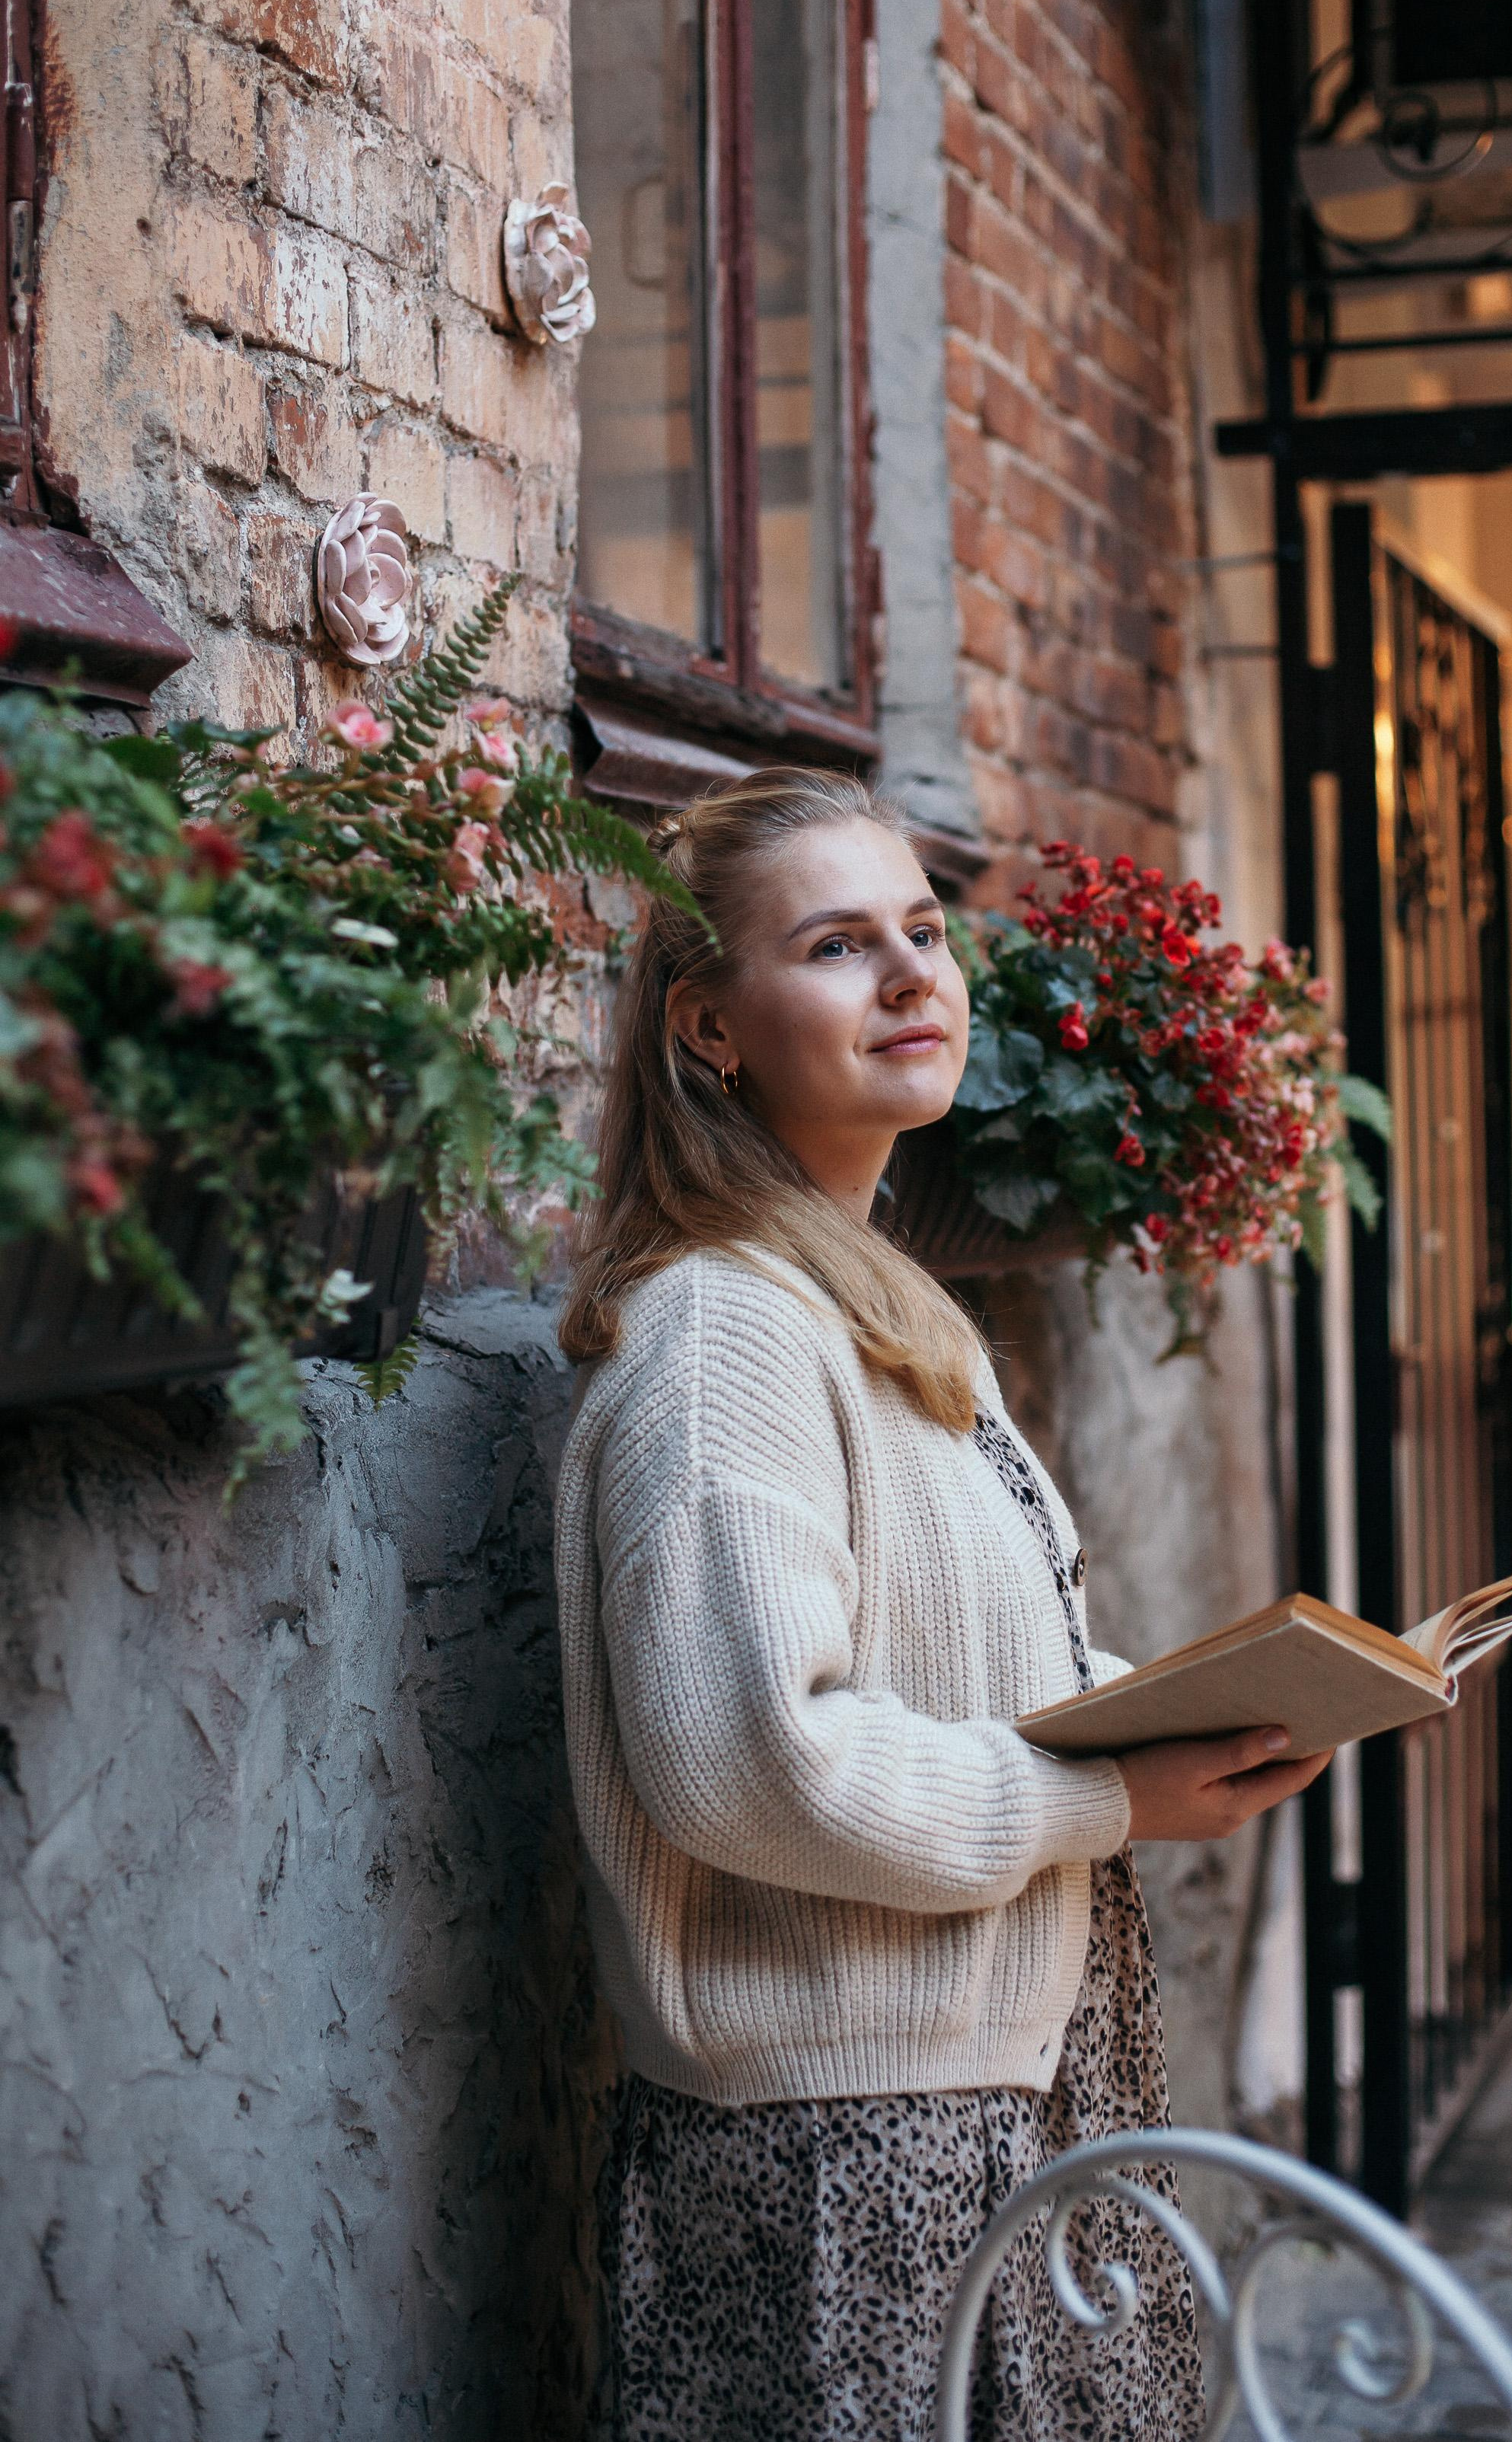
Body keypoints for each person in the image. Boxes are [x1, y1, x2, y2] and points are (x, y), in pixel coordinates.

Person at [554, 768, 1331, 2440]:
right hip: (849, 2157)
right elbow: (753, 1755)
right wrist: (1107, 1794)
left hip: (978, 2104)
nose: (917, 974)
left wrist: (1205, 1702)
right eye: (839, 945)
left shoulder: (876, 1303)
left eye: (923, 927)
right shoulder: (721, 1339)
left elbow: (965, 1651)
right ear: (710, 1029)